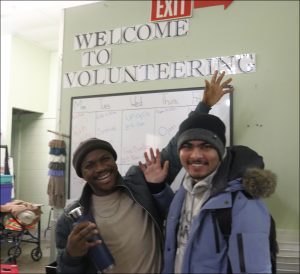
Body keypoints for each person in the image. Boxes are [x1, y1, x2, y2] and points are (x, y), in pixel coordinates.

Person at [55, 71, 233, 274]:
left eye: (105, 159)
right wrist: (71, 255)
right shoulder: (71, 219)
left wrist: (204, 106)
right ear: (81, 174)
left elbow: (177, 147)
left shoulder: (139, 183)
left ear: (114, 161)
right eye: (90, 165)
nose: (101, 168)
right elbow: (64, 270)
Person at [139, 113, 277, 273]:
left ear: (220, 151)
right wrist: (157, 187)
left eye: (206, 146)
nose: (196, 155)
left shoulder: (243, 201)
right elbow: (181, 221)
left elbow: (254, 269)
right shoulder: (186, 188)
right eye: (187, 146)